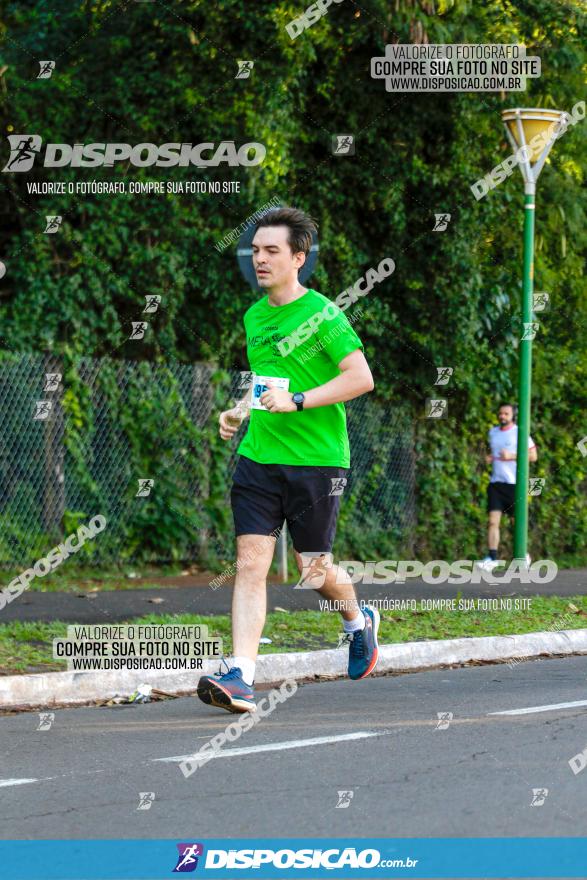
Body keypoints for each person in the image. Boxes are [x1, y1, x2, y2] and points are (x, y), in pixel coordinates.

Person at [197, 206, 379, 713]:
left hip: (317, 461)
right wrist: (240, 410)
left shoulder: (323, 314)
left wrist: (299, 401)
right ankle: (241, 677)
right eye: (255, 250)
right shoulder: (255, 315)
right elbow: (267, 383)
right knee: (250, 565)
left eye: (272, 251)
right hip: (260, 458)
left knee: (313, 571)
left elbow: (360, 379)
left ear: (298, 258)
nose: (260, 259)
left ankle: (357, 620)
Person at [478, 403, 537, 570]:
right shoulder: (493, 432)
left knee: (516, 523)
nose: (502, 416)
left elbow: (533, 456)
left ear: (513, 415)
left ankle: (522, 554)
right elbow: (492, 452)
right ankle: (492, 557)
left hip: (515, 485)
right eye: (500, 413)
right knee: (492, 522)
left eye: (506, 413)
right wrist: (489, 458)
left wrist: (511, 455)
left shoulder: (520, 433)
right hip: (496, 483)